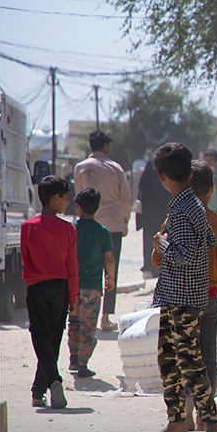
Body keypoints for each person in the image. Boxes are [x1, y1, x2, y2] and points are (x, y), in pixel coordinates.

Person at [150, 143, 217, 432]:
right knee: (171, 361)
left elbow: (184, 255)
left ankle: (213, 424)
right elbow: (209, 241)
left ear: (161, 176)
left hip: (182, 299)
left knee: (188, 363)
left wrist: (162, 244)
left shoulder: (182, 211)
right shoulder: (193, 206)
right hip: (185, 297)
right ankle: (177, 424)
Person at [21, 176, 78, 409]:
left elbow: (26, 259)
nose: (68, 203)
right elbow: (72, 266)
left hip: (36, 287)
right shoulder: (68, 229)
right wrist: (73, 296)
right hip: (60, 288)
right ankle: (45, 386)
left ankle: (45, 387)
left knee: (41, 337)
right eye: (66, 198)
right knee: (53, 339)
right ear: (55, 199)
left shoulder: (28, 227)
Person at [73, 130, 131, 331]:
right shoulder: (115, 168)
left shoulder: (80, 168)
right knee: (111, 270)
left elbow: (79, 195)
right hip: (113, 226)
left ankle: (82, 311)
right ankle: (105, 317)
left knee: (86, 266)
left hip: (88, 225)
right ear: (106, 146)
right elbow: (125, 199)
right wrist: (125, 221)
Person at [68, 188, 116, 378]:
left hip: (72, 286)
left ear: (78, 207)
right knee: (88, 326)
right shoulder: (102, 231)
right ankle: (83, 364)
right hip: (93, 288)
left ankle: (73, 357)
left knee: (73, 322)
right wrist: (110, 278)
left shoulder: (71, 229)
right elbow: (109, 258)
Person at [136, 158, 171, 279]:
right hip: (163, 212)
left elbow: (141, 188)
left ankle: (150, 265)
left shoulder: (151, 166)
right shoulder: (168, 167)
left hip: (149, 213)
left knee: (150, 240)